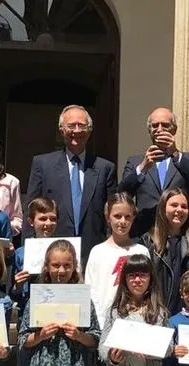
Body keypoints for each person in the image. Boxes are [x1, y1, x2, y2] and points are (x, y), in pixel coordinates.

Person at [85, 192, 150, 366]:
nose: (122, 221)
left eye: (127, 216)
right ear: (107, 217)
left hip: (135, 329)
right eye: (117, 216)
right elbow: (90, 291)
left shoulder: (141, 251)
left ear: (134, 218)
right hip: (105, 329)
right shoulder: (98, 252)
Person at [5, 197, 61, 366]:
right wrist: (16, 285)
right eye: (42, 219)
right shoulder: (20, 253)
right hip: (31, 322)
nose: (47, 224)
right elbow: (13, 294)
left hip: (59, 321)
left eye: (52, 218)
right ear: (31, 222)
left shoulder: (65, 250)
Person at [25, 104, 117, 261]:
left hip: (93, 254)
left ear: (89, 130)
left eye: (81, 125)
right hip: (52, 256)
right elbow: (31, 210)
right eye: (71, 126)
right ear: (61, 130)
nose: (76, 130)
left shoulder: (104, 168)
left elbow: (110, 215)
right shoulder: (43, 164)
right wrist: (28, 252)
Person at [120, 107, 189, 238]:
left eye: (165, 125)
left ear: (174, 129)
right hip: (145, 232)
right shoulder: (135, 162)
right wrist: (143, 167)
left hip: (181, 233)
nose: (159, 129)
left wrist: (175, 153)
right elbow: (122, 193)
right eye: (155, 125)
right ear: (149, 130)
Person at [141, 187, 189, 316]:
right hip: (158, 315)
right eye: (174, 205)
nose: (179, 210)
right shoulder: (148, 241)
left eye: (184, 206)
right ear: (163, 208)